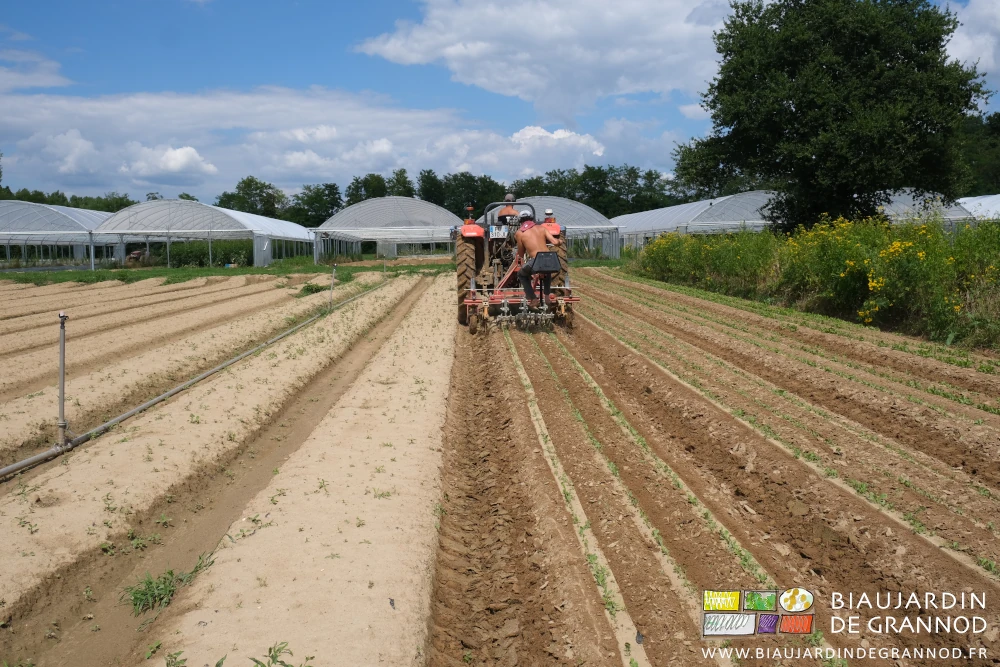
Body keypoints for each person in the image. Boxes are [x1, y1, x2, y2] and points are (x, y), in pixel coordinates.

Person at [515, 209, 561, 308]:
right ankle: (547, 297)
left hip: (536, 261)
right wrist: (560, 241)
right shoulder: (542, 228)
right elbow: (555, 242)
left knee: (521, 274)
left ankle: (533, 299)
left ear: (520, 221)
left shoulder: (520, 233)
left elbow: (521, 254)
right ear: (532, 219)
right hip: (550, 259)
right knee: (547, 269)